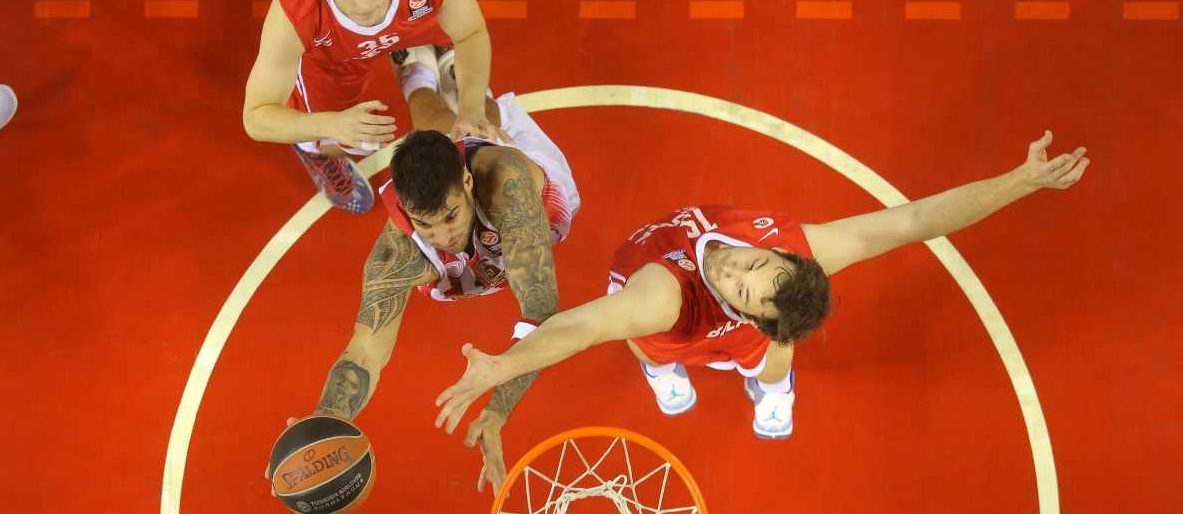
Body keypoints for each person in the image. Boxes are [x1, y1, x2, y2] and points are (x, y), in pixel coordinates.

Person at [433, 131, 1090, 440]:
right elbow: (587, 325)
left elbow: (918, 224)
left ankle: (774, 389)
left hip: (743, 335)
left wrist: (1020, 184)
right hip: (665, 318)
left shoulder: (761, 316)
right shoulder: (668, 295)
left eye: (745, 289)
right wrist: (506, 364)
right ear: (779, 250)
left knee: (773, 361)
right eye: (755, 264)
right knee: (646, 343)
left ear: (750, 313)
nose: (733, 269)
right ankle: (667, 372)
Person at [305, 86, 581, 495]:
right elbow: (363, 353)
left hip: (539, 198)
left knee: (482, 119)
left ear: (467, 182)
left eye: (450, 217)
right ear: (405, 209)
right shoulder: (397, 253)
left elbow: (541, 311)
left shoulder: (507, 185)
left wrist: (497, 411)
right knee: (431, 123)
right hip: (457, 264)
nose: (442, 235)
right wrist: (325, 421)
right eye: (425, 224)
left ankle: (455, 77)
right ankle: (417, 75)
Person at [243, 0, 500, 215]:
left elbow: (471, 33)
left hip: (411, 10)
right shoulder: (296, 12)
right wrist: (328, 124)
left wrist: (472, 110)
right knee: (353, 140)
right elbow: (256, 116)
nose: (364, 5)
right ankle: (314, 151)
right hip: (335, 57)